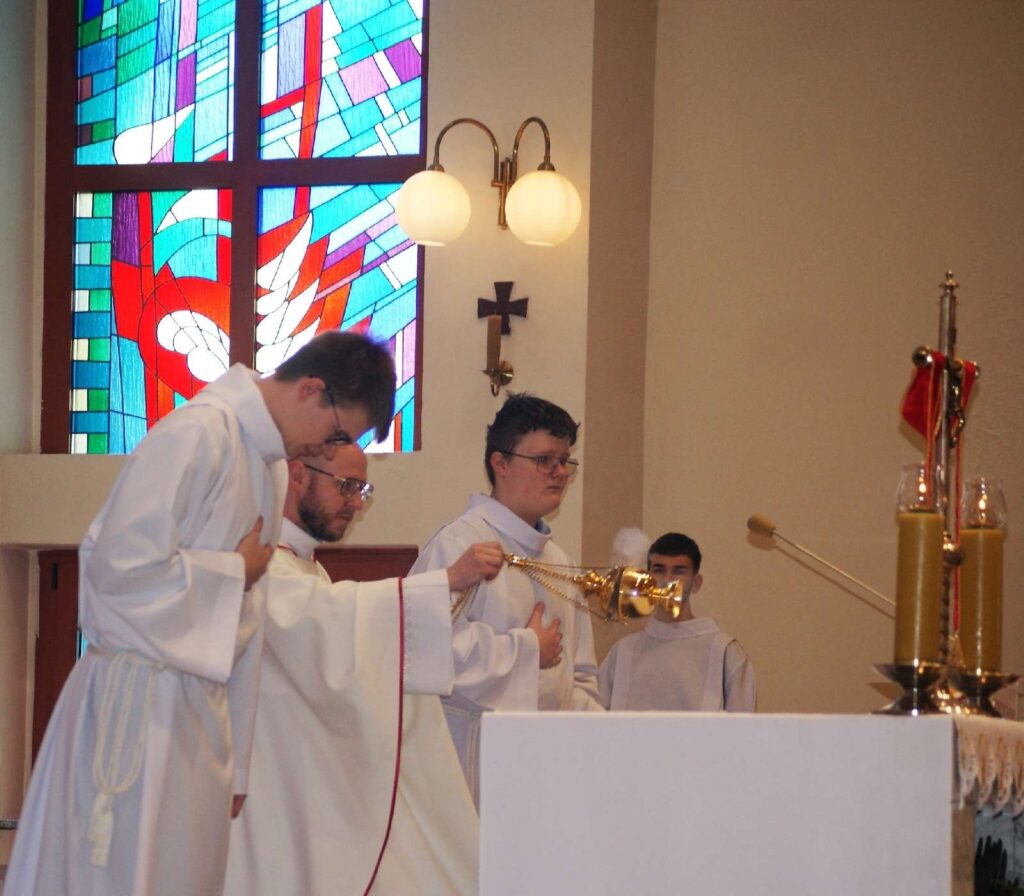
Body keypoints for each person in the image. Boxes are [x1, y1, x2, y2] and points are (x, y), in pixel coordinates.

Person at [6, 331, 395, 896]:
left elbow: (247, 622)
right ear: (311, 389)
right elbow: (114, 573)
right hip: (138, 706)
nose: (325, 448)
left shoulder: (268, 467)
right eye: (337, 433)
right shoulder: (197, 434)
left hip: (198, 722)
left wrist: (235, 763)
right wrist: (232, 571)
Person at [224, 444, 503, 895]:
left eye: (362, 490)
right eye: (347, 486)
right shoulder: (260, 565)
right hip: (268, 793)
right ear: (297, 475)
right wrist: (445, 581)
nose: (356, 503)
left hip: (304, 784)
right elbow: (323, 616)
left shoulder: (305, 567)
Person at [409, 393, 604, 805]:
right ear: (500, 463)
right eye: (544, 460)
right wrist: (528, 650)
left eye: (564, 462)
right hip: (469, 769)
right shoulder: (460, 544)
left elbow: (580, 676)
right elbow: (427, 651)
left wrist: (609, 738)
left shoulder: (560, 562)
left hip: (545, 772)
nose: (559, 474)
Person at [598, 532, 755, 712]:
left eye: (679, 571)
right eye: (659, 570)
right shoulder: (623, 652)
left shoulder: (725, 652)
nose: (667, 580)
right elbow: (596, 719)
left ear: (696, 583)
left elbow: (743, 725)